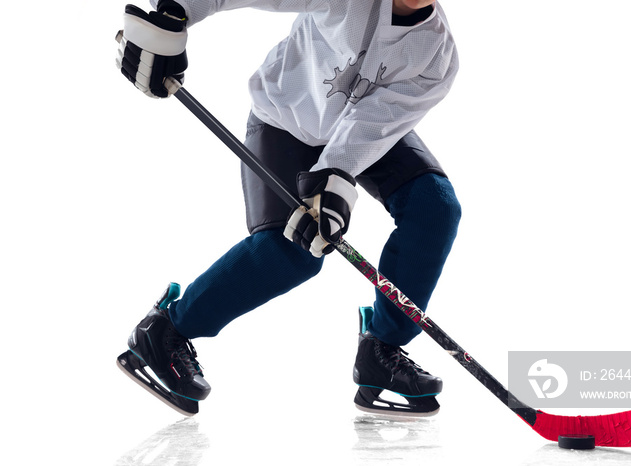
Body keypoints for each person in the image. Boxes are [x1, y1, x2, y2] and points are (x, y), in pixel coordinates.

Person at [115, 0, 462, 417]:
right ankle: (165, 331)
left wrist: (333, 181)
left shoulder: (436, 54)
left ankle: (382, 351)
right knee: (290, 254)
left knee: (433, 208)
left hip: (360, 126)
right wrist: (173, 12)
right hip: (285, 119)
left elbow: (375, 123)